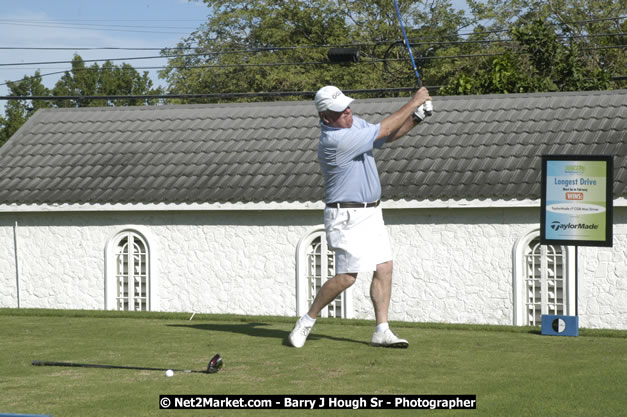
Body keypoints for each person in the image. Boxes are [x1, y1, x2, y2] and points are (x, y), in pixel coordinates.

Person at [289, 85, 432, 348]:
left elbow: (386, 137)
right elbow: (386, 128)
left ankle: (382, 330)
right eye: (338, 111)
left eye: (346, 106)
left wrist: (417, 118)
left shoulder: (353, 124)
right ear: (325, 117)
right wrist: (414, 102)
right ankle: (307, 320)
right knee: (348, 277)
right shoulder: (334, 141)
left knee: (384, 267)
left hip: (371, 211)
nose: (347, 112)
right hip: (346, 214)